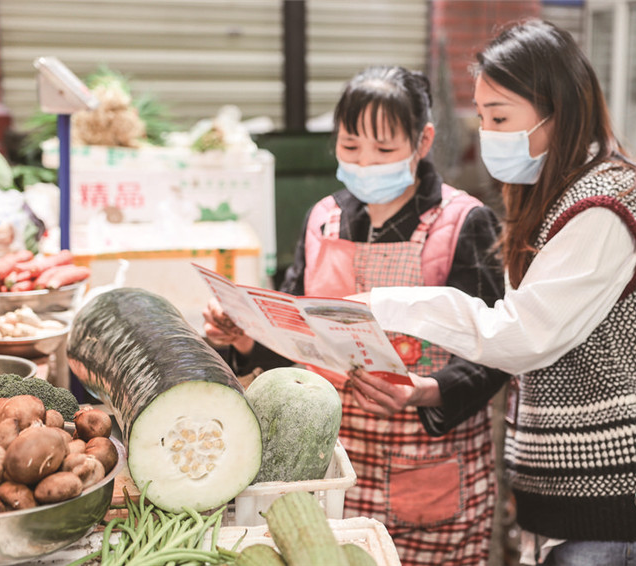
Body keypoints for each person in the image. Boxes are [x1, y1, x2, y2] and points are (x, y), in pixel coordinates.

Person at [346, 20, 636, 566]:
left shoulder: (605, 205)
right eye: (483, 116)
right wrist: (428, 391)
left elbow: (521, 334)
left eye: (501, 117)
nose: (487, 132)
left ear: (559, 110)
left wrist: (386, 303)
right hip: (567, 501)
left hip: (614, 506)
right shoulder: (552, 194)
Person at [203, 65, 509, 566]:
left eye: (384, 150)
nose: (365, 162)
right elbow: (291, 331)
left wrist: (423, 391)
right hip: (332, 467)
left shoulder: (463, 222)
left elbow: (495, 353)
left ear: (423, 141)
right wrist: (242, 336)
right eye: (350, 146)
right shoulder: (322, 219)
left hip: (428, 470)